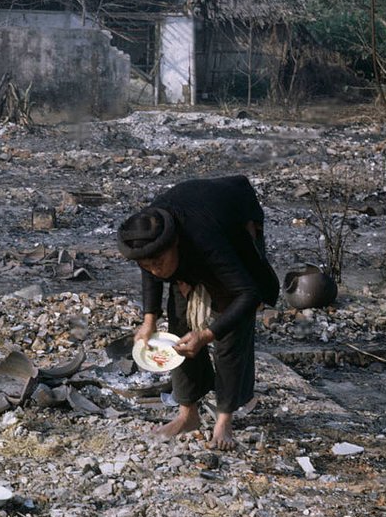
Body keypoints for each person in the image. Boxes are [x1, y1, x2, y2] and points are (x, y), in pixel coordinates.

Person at [117, 176, 279, 450]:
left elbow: (248, 295)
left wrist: (207, 334)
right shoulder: (148, 235)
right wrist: (149, 320)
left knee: (230, 333)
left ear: (175, 244)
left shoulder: (207, 239)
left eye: (159, 262)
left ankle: (224, 420)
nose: (155, 270)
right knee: (177, 332)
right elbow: (150, 271)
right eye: (147, 265)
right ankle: (187, 414)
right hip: (191, 238)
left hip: (231, 225)